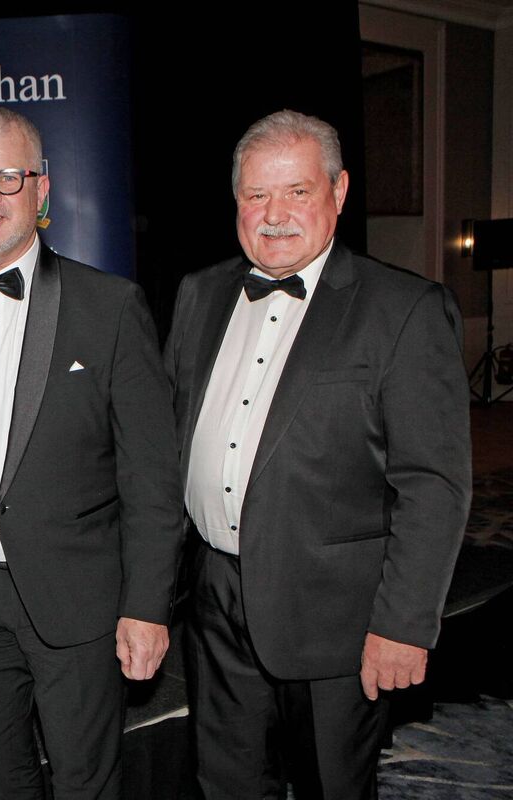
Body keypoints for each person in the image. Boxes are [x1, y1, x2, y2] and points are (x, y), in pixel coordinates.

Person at [165, 109, 471, 799]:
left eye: (297, 192)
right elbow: (171, 451)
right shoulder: (200, 293)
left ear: (339, 191)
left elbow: (434, 484)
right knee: (226, 783)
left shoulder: (404, 310)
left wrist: (402, 624)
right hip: (215, 599)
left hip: (340, 617)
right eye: (255, 195)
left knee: (334, 786)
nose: (273, 214)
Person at [0, 106, 186, 799]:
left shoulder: (111, 307)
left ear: (43, 189)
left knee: (88, 783)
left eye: (6, 176)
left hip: (80, 602)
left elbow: (151, 476)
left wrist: (148, 604)